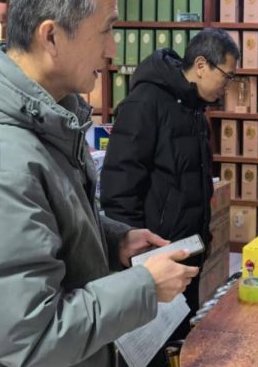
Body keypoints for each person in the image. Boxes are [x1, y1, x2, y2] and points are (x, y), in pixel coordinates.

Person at [0, 0, 198, 366]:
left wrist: (111, 240)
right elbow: (32, 338)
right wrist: (143, 287)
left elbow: (43, 225)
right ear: (51, 36)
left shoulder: (47, 116)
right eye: (106, 30)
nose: (112, 49)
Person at [99, 29, 239, 351]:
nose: (227, 86)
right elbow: (119, 190)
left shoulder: (194, 109)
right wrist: (139, 263)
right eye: (227, 76)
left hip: (186, 252)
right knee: (151, 349)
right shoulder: (145, 103)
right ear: (201, 65)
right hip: (154, 261)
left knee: (180, 342)